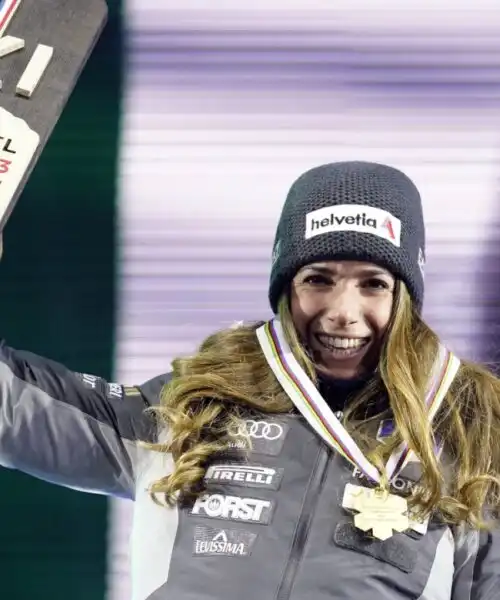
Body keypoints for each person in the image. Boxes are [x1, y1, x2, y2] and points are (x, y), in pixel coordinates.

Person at [0, 161, 499, 600]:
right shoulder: (200, 403)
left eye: (373, 284)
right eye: (318, 279)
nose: (343, 311)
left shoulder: (470, 434)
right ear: (285, 288)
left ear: (404, 298)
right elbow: (14, 409)